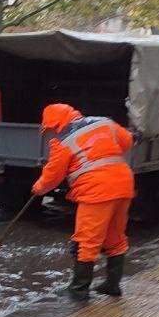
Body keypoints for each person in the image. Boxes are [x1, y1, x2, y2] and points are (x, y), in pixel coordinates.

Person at [31, 103, 135, 299]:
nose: (52, 133)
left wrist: (38, 188)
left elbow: (53, 176)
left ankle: (79, 289)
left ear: (54, 123)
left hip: (97, 190)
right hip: (123, 184)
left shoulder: (64, 141)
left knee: (87, 239)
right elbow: (127, 141)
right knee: (116, 236)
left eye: (51, 128)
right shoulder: (104, 123)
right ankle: (113, 285)